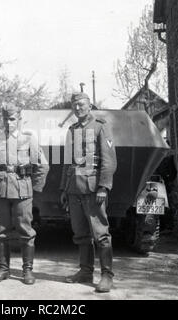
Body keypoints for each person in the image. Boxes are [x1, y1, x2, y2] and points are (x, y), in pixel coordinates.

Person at [0, 102, 49, 285]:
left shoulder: (29, 139)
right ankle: (3, 269)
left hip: (23, 190)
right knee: (2, 231)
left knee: (26, 230)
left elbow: (43, 166)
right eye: (5, 119)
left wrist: (35, 188)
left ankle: (27, 271)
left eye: (12, 119)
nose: (8, 122)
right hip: (1, 190)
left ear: (20, 120)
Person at [60, 92, 117, 293]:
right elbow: (68, 162)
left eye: (81, 104)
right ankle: (85, 271)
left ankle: (107, 275)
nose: (78, 108)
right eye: (74, 105)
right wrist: (64, 189)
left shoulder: (100, 126)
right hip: (74, 190)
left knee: (100, 234)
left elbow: (109, 160)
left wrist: (103, 187)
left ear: (89, 105)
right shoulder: (72, 129)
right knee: (81, 233)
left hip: (94, 189)